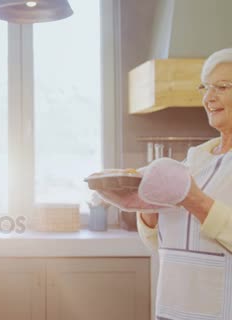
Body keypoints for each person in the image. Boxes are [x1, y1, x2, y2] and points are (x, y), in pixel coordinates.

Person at [98, 48, 232, 319]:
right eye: (206, 88)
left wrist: (195, 200)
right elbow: (161, 244)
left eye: (222, 87)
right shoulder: (197, 158)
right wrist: (145, 206)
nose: (208, 97)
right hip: (172, 307)